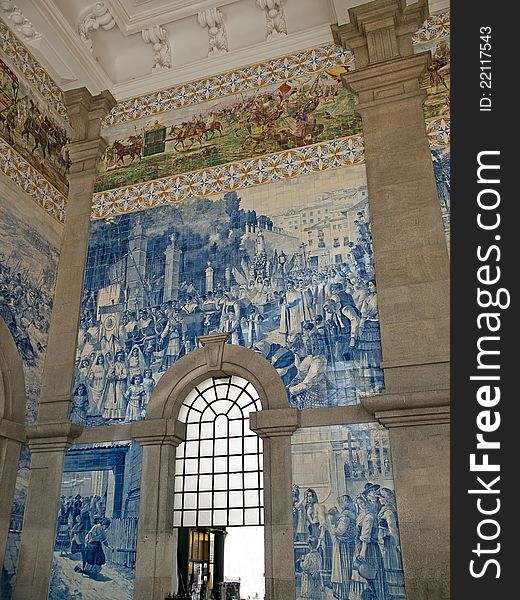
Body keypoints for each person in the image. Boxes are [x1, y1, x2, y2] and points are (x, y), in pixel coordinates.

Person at [327, 495, 356, 600]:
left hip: (344, 545)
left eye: (340, 503)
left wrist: (333, 524)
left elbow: (339, 531)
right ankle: (344, 593)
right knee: (346, 570)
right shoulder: (351, 514)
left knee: (344, 570)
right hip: (349, 543)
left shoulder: (345, 516)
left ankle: (344, 594)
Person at [378, 488, 406, 599]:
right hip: (384, 542)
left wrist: (396, 544)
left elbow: (393, 528)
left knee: (390, 564)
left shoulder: (389, 512)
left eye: (381, 497)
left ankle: (395, 593)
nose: (379, 499)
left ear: (386, 499)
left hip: (389, 543)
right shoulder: (384, 510)